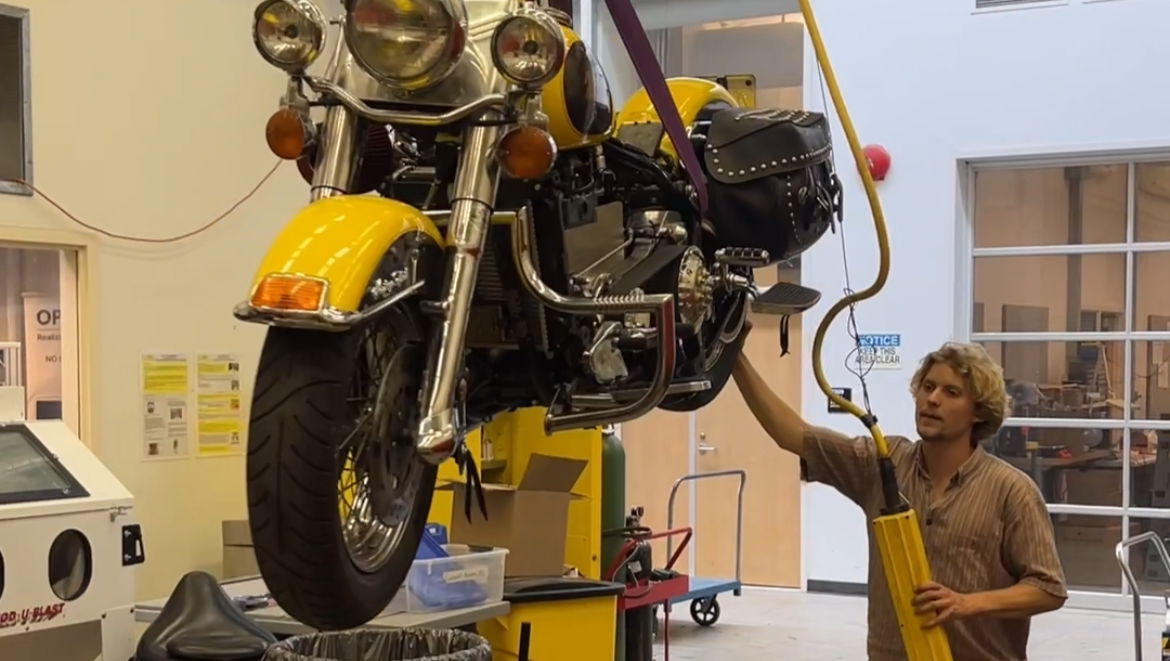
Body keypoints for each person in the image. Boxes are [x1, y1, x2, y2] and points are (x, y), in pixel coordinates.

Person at [732, 337, 1067, 661]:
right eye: (927, 386)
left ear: (979, 411)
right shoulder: (882, 461)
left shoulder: (1012, 491)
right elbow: (793, 434)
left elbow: (1048, 588)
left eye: (951, 392)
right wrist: (733, 358)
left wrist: (967, 603)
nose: (932, 399)